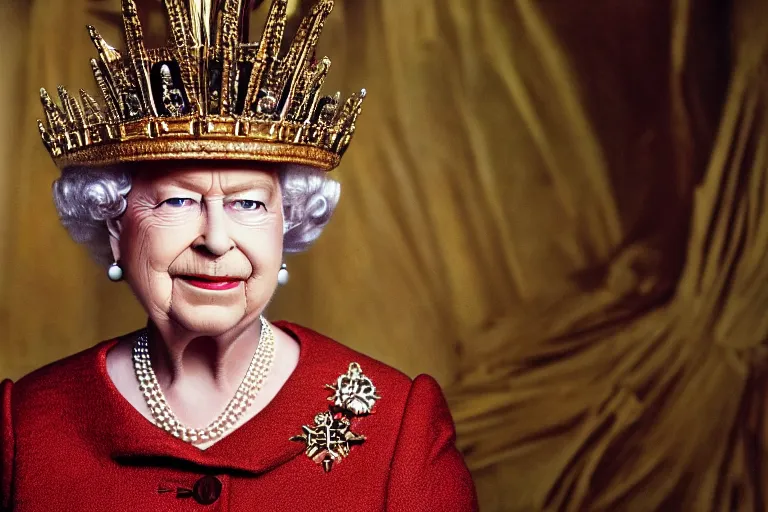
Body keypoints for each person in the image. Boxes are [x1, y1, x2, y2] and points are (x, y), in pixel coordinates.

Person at [0, 0, 478, 510]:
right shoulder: (26, 427)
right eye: (178, 200)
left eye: (248, 202)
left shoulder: (396, 427)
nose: (217, 240)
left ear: (286, 222)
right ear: (115, 226)